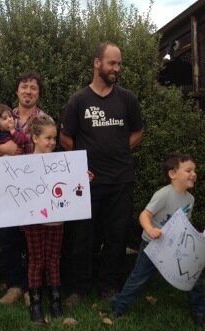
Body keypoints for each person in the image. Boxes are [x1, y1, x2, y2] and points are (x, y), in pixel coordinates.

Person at [60, 41, 143, 305]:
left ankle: (109, 286)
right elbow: (64, 138)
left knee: (116, 237)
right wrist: (84, 162)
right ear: (97, 63)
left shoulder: (127, 99)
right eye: (112, 63)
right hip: (87, 182)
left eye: (118, 64)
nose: (116, 68)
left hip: (121, 180)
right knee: (82, 236)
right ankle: (79, 288)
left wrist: (119, 150)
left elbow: (137, 132)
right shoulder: (79, 100)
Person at [112, 153, 205, 326]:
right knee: (139, 277)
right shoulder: (163, 194)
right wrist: (150, 229)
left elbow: (184, 223)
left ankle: (199, 311)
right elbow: (144, 215)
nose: (193, 174)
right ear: (172, 174)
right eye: (188, 170)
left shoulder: (190, 199)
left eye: (194, 170)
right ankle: (118, 307)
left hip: (175, 246)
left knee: (192, 277)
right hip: (153, 245)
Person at [0, 72, 49, 306]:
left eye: (33, 87)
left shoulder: (44, 119)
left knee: (33, 239)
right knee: (8, 238)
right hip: (7, 190)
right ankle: (14, 285)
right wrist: (9, 149)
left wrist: (9, 148)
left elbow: (48, 149)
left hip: (33, 189)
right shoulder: (3, 117)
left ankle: (33, 287)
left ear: (38, 93)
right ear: (17, 91)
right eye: (24, 87)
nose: (28, 91)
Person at [20, 115, 65, 324]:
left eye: (54, 138)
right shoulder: (23, 164)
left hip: (56, 220)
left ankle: (56, 302)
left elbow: (71, 188)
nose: (52, 142)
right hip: (32, 221)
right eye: (48, 138)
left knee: (53, 260)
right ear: (35, 138)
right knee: (37, 260)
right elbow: (12, 187)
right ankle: (36, 304)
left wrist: (83, 178)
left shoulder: (62, 162)